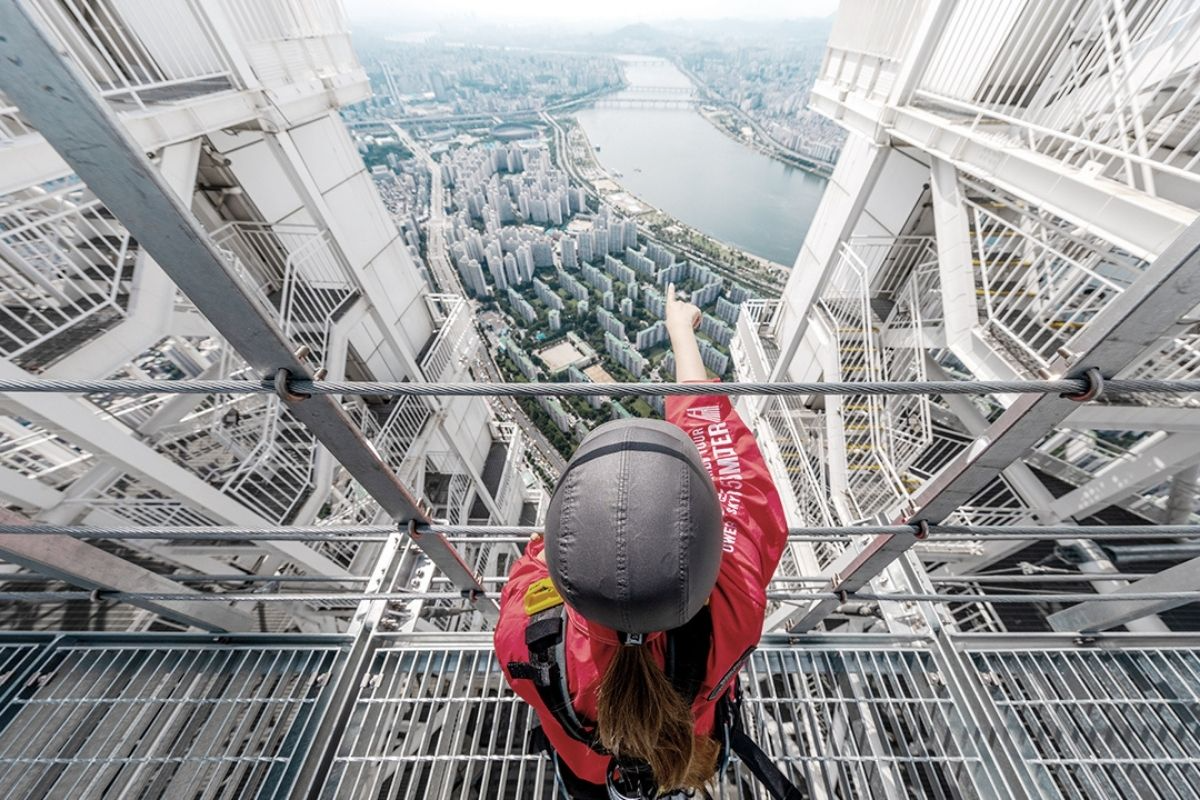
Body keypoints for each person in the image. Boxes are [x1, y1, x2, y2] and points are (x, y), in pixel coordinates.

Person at [494, 284, 789, 799]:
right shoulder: (734, 604)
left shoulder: (525, 638)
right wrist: (680, 332)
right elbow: (721, 451)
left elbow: (531, 570)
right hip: (689, 756)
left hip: (588, 777)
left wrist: (552, 544)